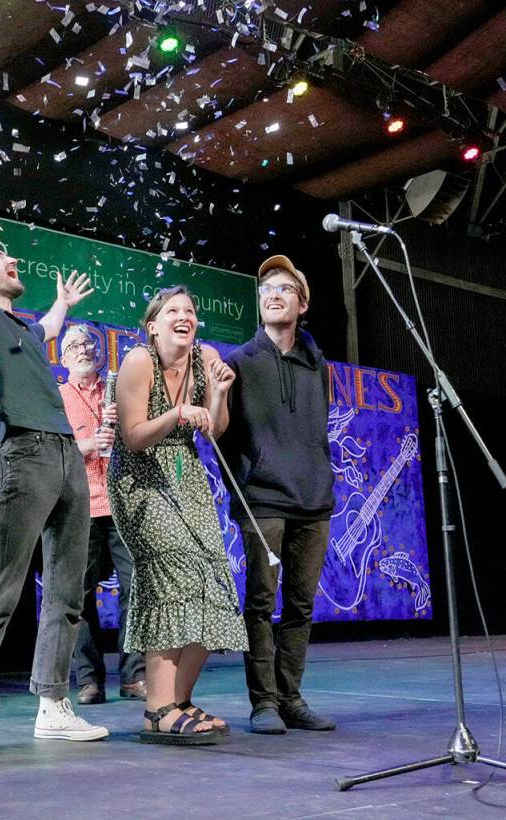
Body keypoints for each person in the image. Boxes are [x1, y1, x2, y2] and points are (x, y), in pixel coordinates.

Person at [0, 104, 108, 756]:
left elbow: (51, 329)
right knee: (4, 585)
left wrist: (62, 303)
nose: (10, 263)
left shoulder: (27, 330)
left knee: (67, 591)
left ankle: (54, 703)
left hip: (68, 458)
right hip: (27, 453)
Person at [107, 285, 248, 746]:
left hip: (186, 477)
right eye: (173, 311)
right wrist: (177, 413)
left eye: (190, 310)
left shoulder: (205, 358)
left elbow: (214, 429)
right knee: (173, 572)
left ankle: (178, 702)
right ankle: (156, 709)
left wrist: (219, 396)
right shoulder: (138, 361)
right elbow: (133, 437)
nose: (184, 316)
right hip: (140, 479)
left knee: (214, 579)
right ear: (154, 324)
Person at [222, 254, 336, 735]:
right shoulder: (238, 362)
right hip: (263, 499)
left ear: (302, 302)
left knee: (301, 605)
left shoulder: (317, 362)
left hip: (314, 500)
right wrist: (243, 486)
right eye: (266, 286)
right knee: (260, 602)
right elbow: (225, 435)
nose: (273, 292)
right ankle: (263, 701)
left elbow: (318, 427)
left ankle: (291, 697)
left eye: (285, 287)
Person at [56, 325, 146, 704]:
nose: (82, 350)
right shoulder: (56, 396)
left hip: (122, 503)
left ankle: (134, 676)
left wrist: (124, 428)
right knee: (78, 595)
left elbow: (143, 439)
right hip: (82, 505)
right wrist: (89, 444)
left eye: (88, 343)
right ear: (62, 359)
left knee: (137, 588)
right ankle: (89, 679)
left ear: (100, 352)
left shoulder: (117, 393)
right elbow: (53, 450)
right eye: (72, 345)